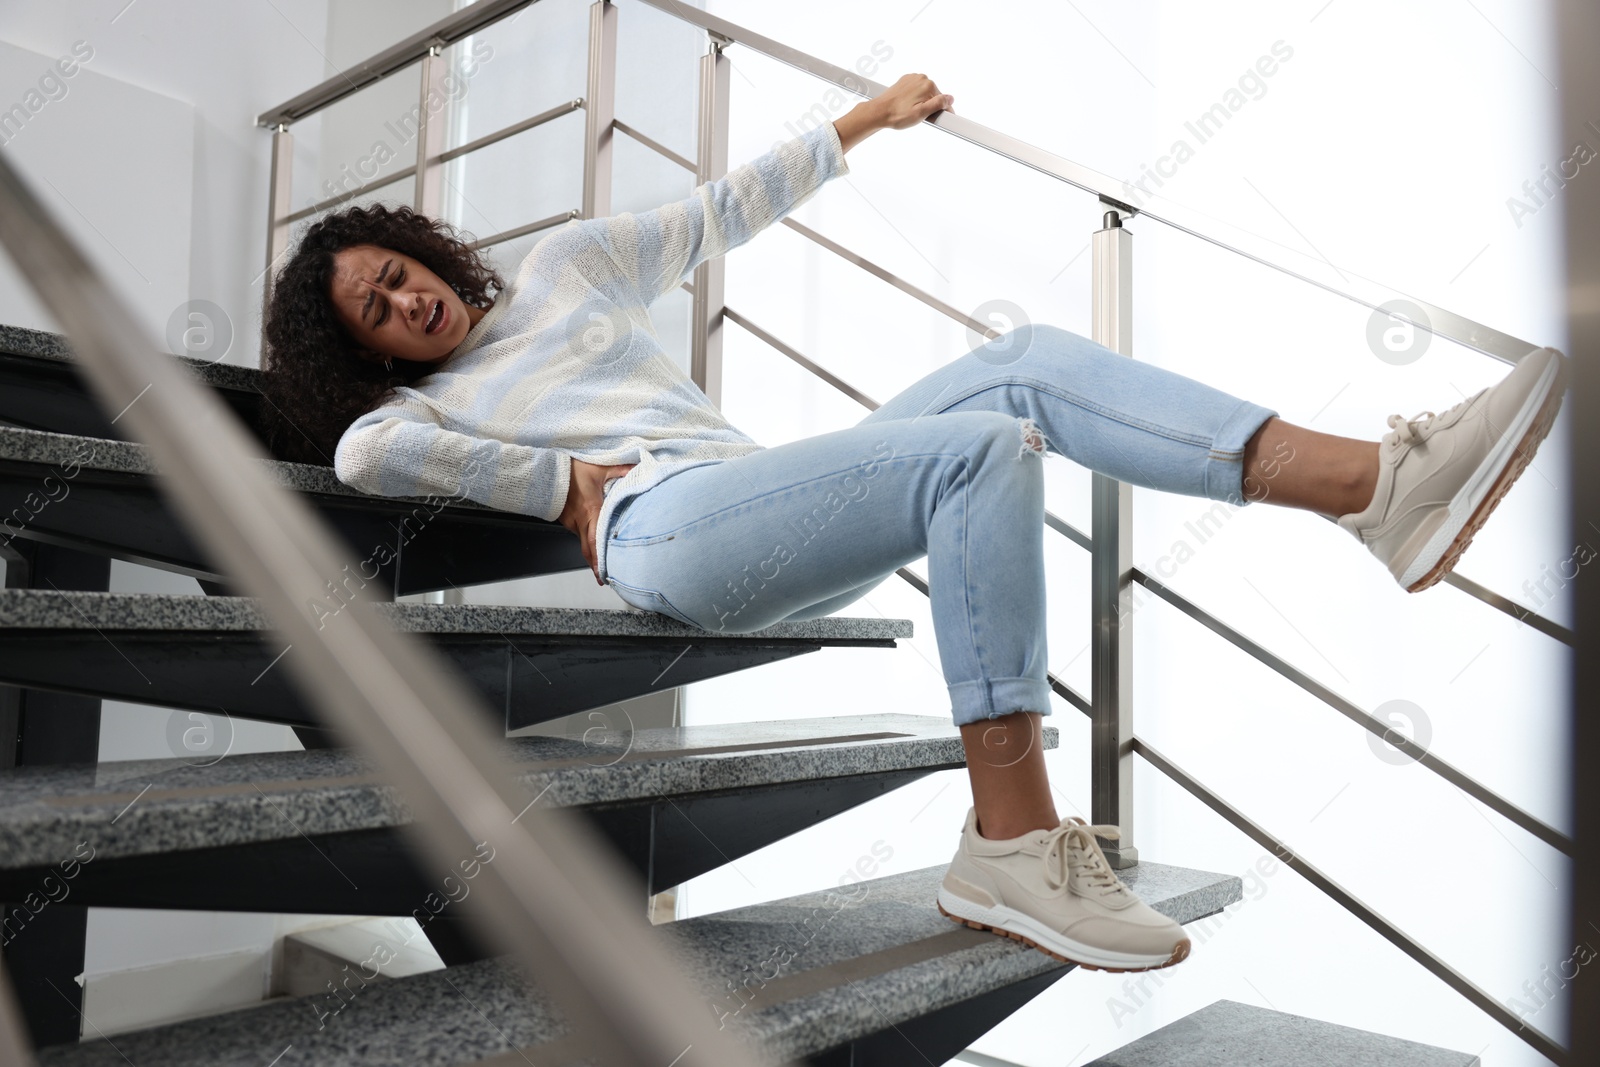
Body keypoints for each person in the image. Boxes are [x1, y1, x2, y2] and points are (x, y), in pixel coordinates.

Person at [259, 74, 1567, 974]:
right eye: (375, 313)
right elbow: (369, 452)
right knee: (981, 450)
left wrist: (867, 120)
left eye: (398, 274)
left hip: (762, 496)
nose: (405, 303)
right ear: (366, 347)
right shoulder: (405, 419)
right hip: (667, 537)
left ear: (424, 251)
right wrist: (560, 489)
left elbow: (722, 209)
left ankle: (1378, 494)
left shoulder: (562, 267)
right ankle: (1009, 836)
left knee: (1030, 365)